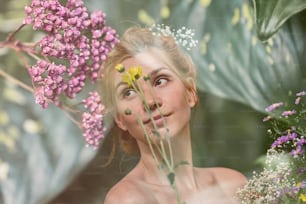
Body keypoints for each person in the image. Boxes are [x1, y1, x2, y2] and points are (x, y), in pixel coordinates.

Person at [100, 25, 247, 204]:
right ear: (119, 119)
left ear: (190, 93)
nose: (150, 101)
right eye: (129, 92)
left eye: (160, 81)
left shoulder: (233, 186)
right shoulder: (127, 200)